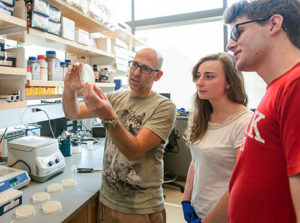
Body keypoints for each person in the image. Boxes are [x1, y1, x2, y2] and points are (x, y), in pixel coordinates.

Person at [62, 48, 176, 223]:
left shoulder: (164, 106)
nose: (136, 73)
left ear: (158, 76)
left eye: (145, 69)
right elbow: (73, 112)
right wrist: (69, 90)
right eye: (135, 65)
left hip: (140, 208)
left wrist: (108, 115)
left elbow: (134, 150)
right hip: (108, 201)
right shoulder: (115, 98)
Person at [224, 0, 300, 222]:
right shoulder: (277, 88)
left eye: (238, 31)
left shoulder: (295, 85)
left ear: (274, 24)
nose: (230, 45)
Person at [181, 53, 252, 223]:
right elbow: (197, 160)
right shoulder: (200, 117)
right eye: (198, 76)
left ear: (229, 82)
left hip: (226, 215)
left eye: (209, 76)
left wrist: (208, 221)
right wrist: (186, 199)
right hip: (199, 208)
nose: (199, 82)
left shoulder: (244, 123)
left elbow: (242, 183)